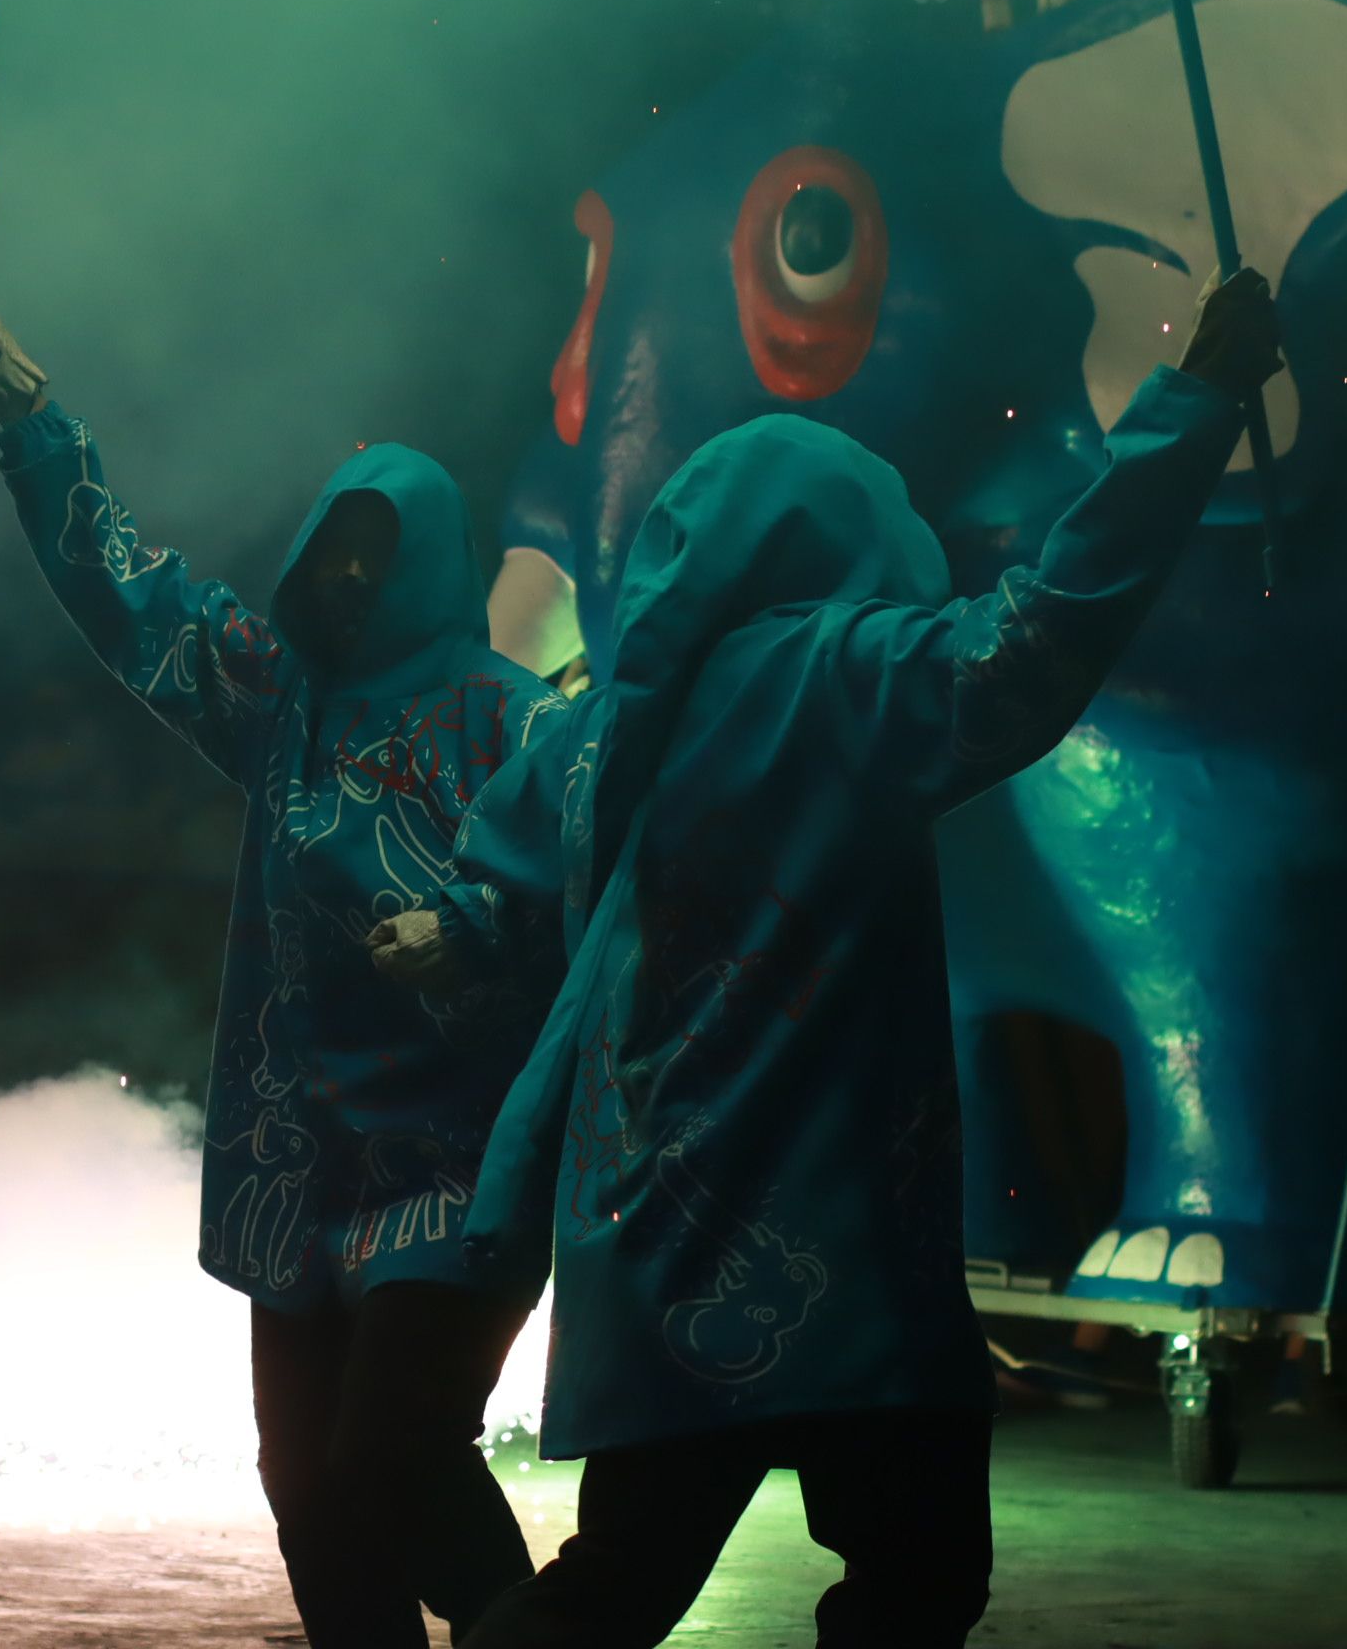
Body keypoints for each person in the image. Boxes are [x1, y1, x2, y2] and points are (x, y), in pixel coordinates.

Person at [449, 267, 1283, 1649]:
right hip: (835, 1233)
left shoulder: (605, 728)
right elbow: (1045, 627)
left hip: (651, 1232)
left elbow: (496, 855)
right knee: (918, 1578)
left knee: (624, 1580)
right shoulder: (839, 675)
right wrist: (1192, 404)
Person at [0, 304, 563, 1649]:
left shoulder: (521, 721)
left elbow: (588, 887)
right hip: (297, 1159)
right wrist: (32, 425)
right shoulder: (280, 700)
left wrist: (469, 923)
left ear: (428, 563)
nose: (345, 579)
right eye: (331, 552)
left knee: (395, 1451)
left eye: (373, 555)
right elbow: (134, 597)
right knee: (305, 1490)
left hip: (457, 1165)